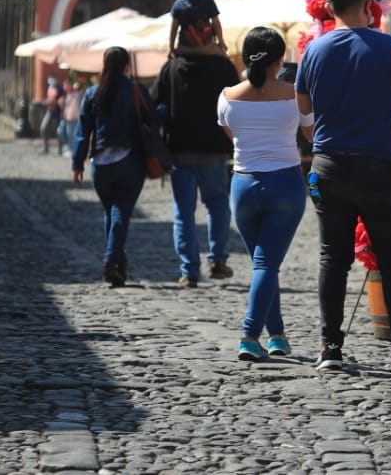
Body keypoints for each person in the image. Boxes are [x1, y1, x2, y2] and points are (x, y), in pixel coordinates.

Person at [295, 0, 391, 374]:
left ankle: (330, 347)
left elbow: (303, 114)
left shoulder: (314, 51)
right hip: (380, 166)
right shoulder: (387, 48)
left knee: (332, 258)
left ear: (331, 9)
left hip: (327, 167)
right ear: (368, 3)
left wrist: (319, 138)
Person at [217, 28, 310, 362]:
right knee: (267, 264)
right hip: (285, 183)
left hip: (242, 185)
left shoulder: (227, 96)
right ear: (279, 59)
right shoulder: (295, 93)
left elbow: (230, 133)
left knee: (264, 264)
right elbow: (311, 133)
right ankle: (249, 335)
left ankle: (278, 336)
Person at [153, 44, 240, 287]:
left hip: (179, 150)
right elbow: (237, 100)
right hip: (213, 148)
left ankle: (189, 270)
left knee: (183, 213)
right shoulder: (223, 66)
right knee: (218, 206)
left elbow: (155, 105)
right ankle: (217, 260)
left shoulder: (170, 67)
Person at [71, 46, 151, 288]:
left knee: (112, 212)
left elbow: (82, 131)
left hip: (100, 165)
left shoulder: (94, 93)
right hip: (130, 162)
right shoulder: (136, 91)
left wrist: (77, 163)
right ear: (127, 66)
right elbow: (154, 116)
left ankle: (119, 261)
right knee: (120, 213)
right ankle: (111, 260)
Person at [58, 76, 84, 159]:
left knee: (71, 135)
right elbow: (65, 106)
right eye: (64, 85)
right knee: (60, 131)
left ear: (71, 85)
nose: (65, 86)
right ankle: (70, 148)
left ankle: (72, 150)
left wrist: (77, 87)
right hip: (66, 118)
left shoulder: (76, 93)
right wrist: (61, 103)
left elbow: (81, 91)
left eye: (66, 84)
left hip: (74, 118)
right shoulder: (66, 95)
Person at [40, 76, 62, 155]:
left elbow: (61, 101)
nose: (51, 81)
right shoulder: (50, 88)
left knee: (58, 132)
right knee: (43, 128)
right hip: (49, 111)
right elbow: (49, 98)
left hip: (56, 113)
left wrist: (52, 102)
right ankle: (46, 148)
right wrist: (46, 102)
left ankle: (60, 150)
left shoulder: (60, 89)